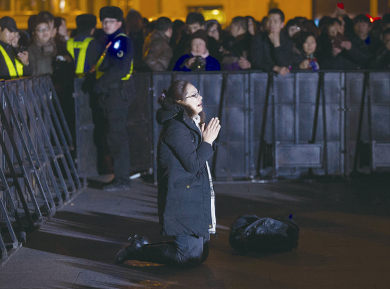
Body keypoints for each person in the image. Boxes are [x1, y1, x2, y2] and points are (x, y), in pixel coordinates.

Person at [115, 80, 221, 268]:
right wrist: (208, 142)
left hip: (192, 195)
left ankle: (146, 246)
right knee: (189, 257)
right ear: (180, 102)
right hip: (182, 198)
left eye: (199, 93)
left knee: (200, 255)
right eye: (194, 95)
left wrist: (206, 141)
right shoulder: (175, 127)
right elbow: (193, 164)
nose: (200, 97)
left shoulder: (190, 121)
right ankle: (137, 250)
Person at [92, 6, 134, 191]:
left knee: (117, 137)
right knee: (115, 136)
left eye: (110, 21)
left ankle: (122, 180)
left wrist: (99, 84)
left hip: (117, 93)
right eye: (103, 21)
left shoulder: (120, 41)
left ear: (118, 23)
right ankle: (121, 178)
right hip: (113, 93)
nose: (106, 24)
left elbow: (120, 68)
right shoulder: (113, 41)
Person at [251, 8, 293, 76]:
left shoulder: (288, 41)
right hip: (262, 79)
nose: (271, 24)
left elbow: (285, 64)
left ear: (282, 24)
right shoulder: (258, 39)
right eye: (269, 21)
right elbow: (256, 61)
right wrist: (274, 68)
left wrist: (277, 45)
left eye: (275, 21)